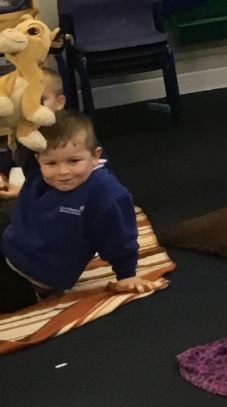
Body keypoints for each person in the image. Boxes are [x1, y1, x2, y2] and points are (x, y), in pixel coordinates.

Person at [0, 112, 162, 312]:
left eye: (74, 161)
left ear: (95, 156)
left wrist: (126, 275)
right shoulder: (37, 170)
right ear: (38, 160)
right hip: (10, 245)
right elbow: (21, 139)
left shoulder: (106, 193)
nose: (63, 172)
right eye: (51, 163)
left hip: (30, 278)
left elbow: (120, 238)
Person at [0, 70, 69, 231]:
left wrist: (24, 193)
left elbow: (69, 184)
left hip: (62, 206)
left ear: (59, 103)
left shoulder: (68, 137)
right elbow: (13, 155)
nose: (28, 108)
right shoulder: (25, 132)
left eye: (39, 100)